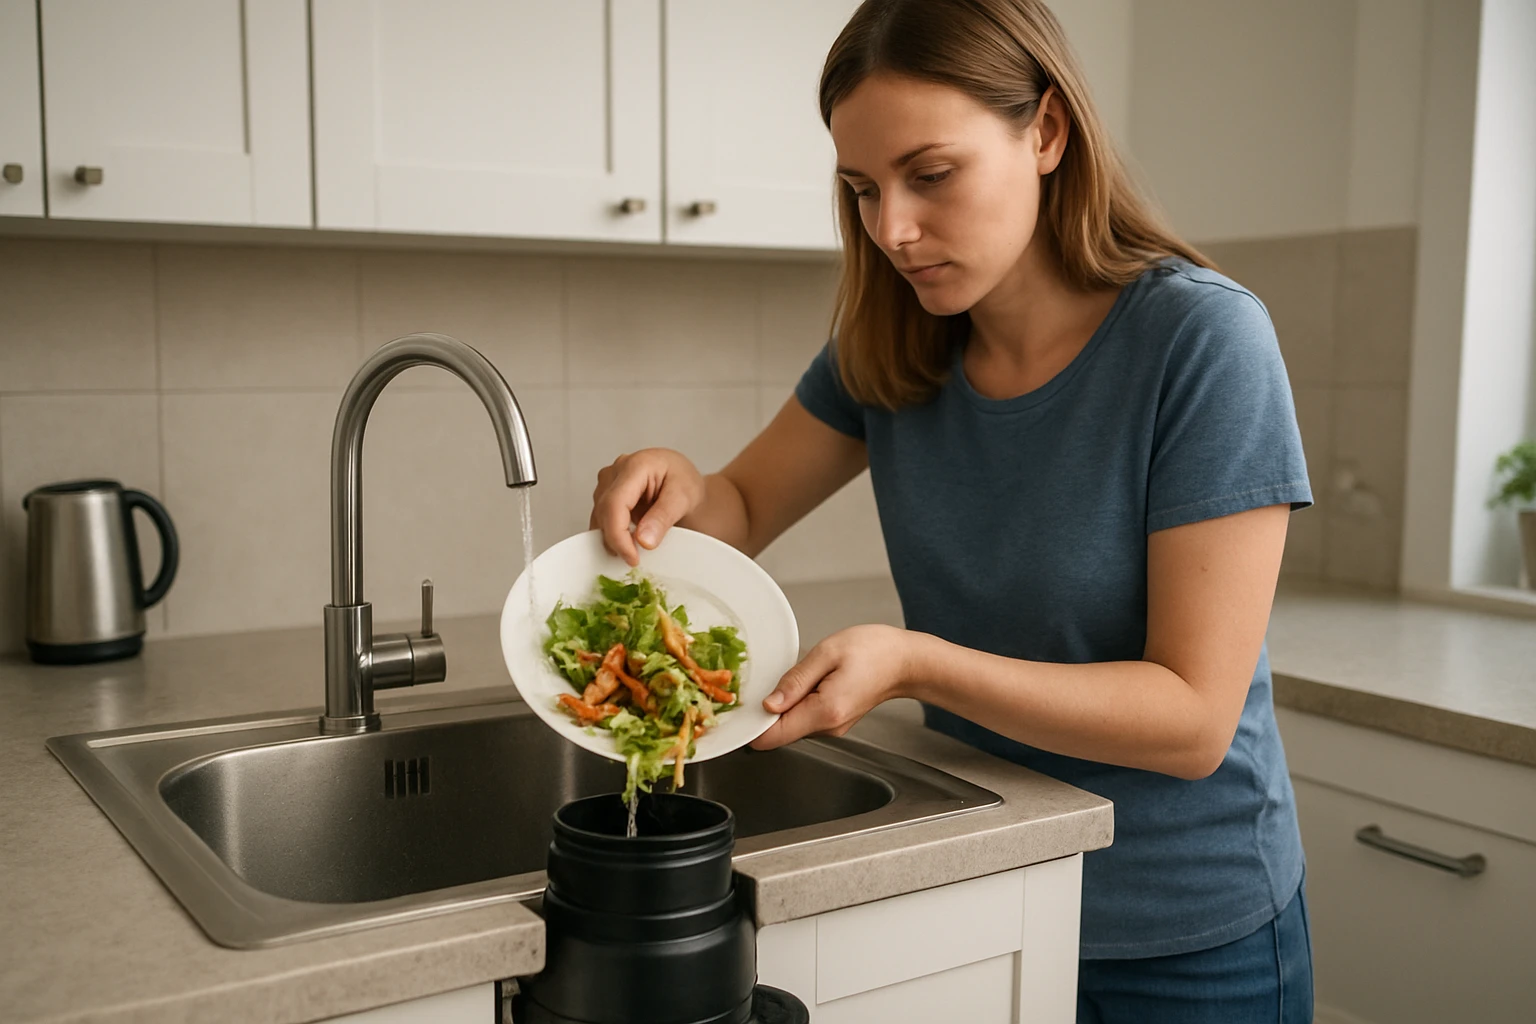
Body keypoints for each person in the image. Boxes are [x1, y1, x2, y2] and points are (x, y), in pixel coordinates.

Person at [588, 1, 1313, 1019]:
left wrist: (916, 662)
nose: (891, 229)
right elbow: (741, 504)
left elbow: (1193, 718)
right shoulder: (893, 343)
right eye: (862, 189)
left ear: (1047, 132)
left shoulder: (1202, 342)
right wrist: (676, 480)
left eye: (931, 175)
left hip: (1184, 939)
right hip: (986, 891)